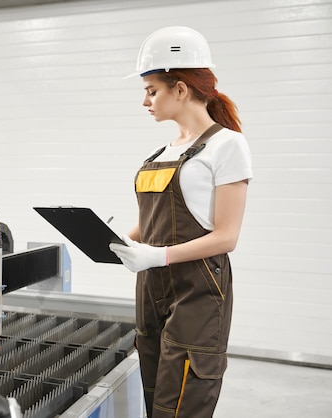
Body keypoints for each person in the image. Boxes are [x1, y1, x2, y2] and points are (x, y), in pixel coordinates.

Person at [109, 26, 253, 418]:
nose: (145, 101)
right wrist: (113, 240)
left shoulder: (227, 145)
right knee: (155, 399)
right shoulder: (162, 152)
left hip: (198, 294)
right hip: (151, 291)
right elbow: (149, 224)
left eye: (151, 90)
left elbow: (226, 236)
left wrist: (158, 256)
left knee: (182, 406)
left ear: (181, 89)